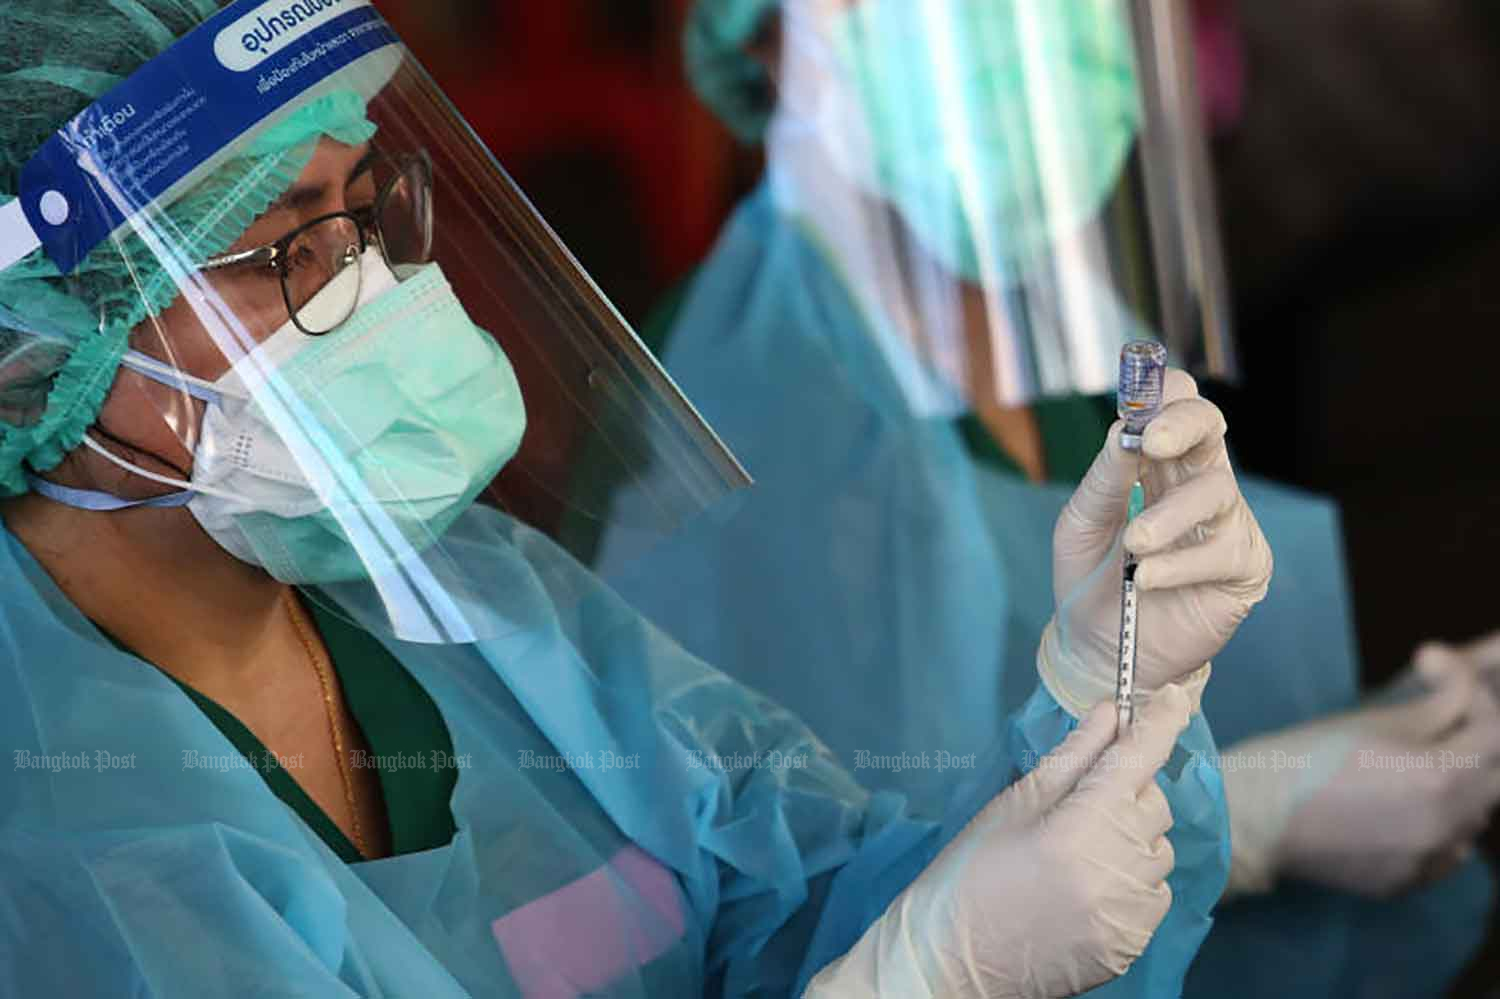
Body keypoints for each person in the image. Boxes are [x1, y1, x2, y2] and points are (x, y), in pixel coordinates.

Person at [0, 2, 1274, 996]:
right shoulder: (54, 836)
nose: (373, 288)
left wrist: (1095, 711)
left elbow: (807, 895)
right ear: (48, 336)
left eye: (365, 213)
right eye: (289, 245)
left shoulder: (487, 609)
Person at [596, 0, 1500, 996]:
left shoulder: (1047, 341)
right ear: (771, 38)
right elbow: (814, 922)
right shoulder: (732, 432)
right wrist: (1253, 818)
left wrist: (1365, 749)